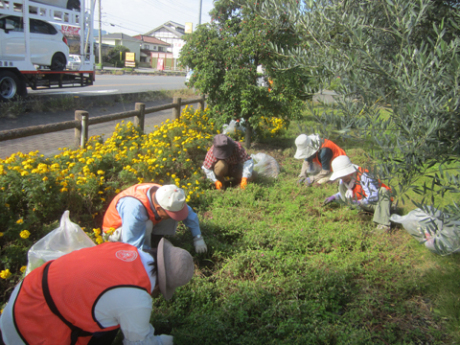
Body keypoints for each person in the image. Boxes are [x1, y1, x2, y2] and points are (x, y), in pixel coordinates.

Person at [0, 239, 193, 345]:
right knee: (111, 326)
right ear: (161, 285)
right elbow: (137, 343)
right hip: (32, 331)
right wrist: (162, 341)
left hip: (22, 297)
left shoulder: (124, 248)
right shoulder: (137, 299)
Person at [102, 183, 207, 253]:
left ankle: (156, 240)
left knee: (168, 217)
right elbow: (132, 245)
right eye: (169, 213)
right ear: (158, 208)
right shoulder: (134, 209)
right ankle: (149, 250)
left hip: (138, 224)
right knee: (147, 225)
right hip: (117, 234)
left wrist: (198, 237)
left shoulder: (167, 195)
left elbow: (189, 215)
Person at [323, 155, 393, 232]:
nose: (342, 177)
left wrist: (360, 202)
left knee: (383, 191)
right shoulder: (343, 180)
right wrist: (334, 197)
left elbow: (374, 196)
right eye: (341, 176)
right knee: (341, 186)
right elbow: (345, 192)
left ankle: (383, 225)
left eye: (344, 175)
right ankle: (354, 211)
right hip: (361, 204)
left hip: (377, 204)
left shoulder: (364, 176)